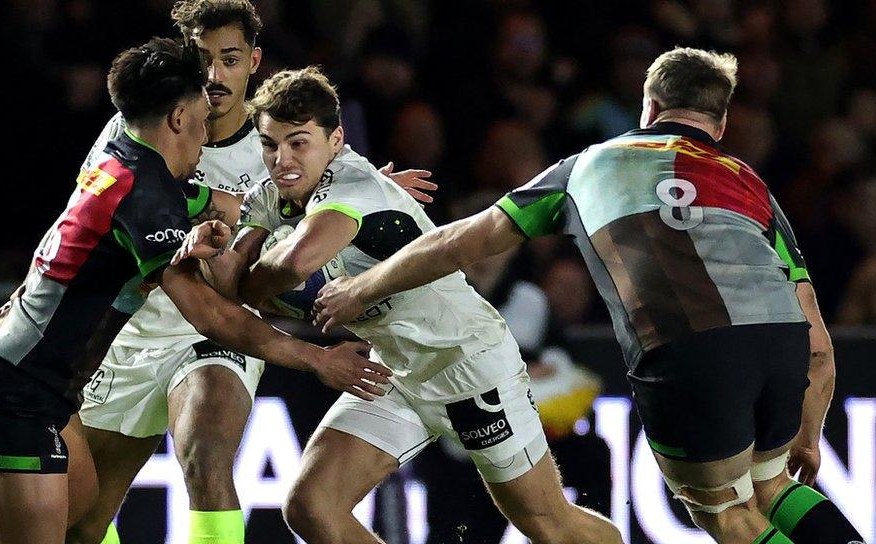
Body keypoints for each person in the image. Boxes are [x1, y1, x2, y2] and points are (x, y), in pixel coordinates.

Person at [314, 47, 867, 544]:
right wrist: (810, 433)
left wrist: (364, 285)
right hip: (781, 343)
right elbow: (817, 337)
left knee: (725, 511)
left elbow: (462, 240)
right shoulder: (750, 183)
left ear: (647, 107)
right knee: (771, 485)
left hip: (692, 350)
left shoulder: (588, 166)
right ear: (719, 124)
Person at [0, 38, 389, 544]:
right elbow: (213, 316)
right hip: (14, 392)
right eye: (203, 121)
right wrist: (317, 360)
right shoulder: (147, 195)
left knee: (85, 517)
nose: (206, 138)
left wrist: (357, 187)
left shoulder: (125, 155)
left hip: (44, 389)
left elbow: (226, 203)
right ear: (179, 118)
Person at [175, 66, 623, 544]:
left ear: (336, 139)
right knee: (312, 507)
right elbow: (235, 280)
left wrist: (246, 281)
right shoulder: (276, 194)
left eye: (299, 142)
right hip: (396, 373)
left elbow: (292, 263)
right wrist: (210, 247)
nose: (282, 159)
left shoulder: (350, 188)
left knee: (548, 525)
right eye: (269, 144)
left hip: (468, 367)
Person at [69, 0, 436, 544]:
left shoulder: (278, 133)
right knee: (84, 522)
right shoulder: (137, 125)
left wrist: (378, 189)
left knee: (205, 454)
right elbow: (90, 214)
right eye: (202, 59)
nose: (214, 75)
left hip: (220, 327)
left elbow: (348, 189)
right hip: (134, 330)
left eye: (231, 60)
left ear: (254, 63)